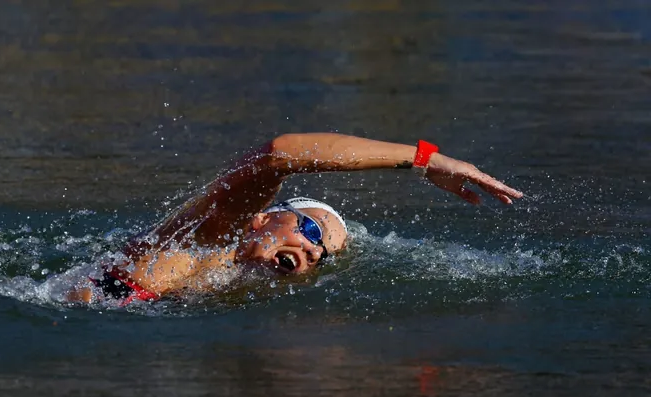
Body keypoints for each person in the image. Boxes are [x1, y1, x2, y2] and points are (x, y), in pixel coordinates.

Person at [67, 133, 523, 305]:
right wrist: (428, 159)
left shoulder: (234, 290)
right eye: (308, 229)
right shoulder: (215, 232)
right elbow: (278, 155)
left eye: (319, 255)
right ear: (263, 220)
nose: (310, 249)